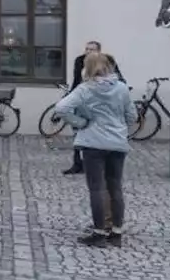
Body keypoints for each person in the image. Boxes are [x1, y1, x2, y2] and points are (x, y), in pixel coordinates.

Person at [55, 52, 136, 247]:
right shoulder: (122, 88)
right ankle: (116, 233)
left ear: (87, 68)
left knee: (97, 188)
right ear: (109, 66)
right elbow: (132, 116)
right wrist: (119, 126)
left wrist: (81, 123)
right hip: (117, 143)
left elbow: (61, 108)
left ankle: (99, 233)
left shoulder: (85, 89)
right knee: (115, 187)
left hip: (93, 143)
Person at [63, 41, 125, 175]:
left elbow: (119, 79)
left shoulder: (106, 61)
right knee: (78, 133)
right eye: (87, 49)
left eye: (92, 49)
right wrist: (72, 96)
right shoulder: (80, 61)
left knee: (97, 136)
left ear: (99, 51)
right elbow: (76, 80)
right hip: (83, 100)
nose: (88, 52)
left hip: (100, 103)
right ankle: (77, 164)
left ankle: (100, 164)